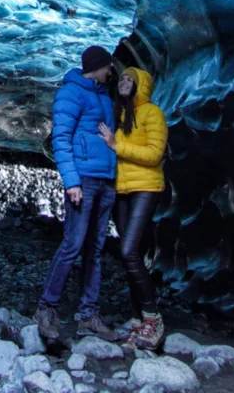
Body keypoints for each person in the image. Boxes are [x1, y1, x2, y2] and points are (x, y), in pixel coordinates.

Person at [35, 45, 119, 342]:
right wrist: (71, 182)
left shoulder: (104, 96)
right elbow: (61, 138)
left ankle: (88, 315)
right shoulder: (71, 93)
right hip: (83, 179)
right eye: (108, 66)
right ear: (97, 66)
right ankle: (47, 308)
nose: (111, 71)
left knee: (95, 250)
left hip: (106, 180)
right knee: (73, 244)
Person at [98, 66, 168, 350]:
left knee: (127, 250)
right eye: (123, 78)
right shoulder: (121, 114)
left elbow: (155, 154)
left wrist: (117, 146)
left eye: (131, 79)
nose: (125, 81)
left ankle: (154, 318)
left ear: (142, 86)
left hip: (146, 188)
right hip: (123, 190)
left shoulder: (153, 113)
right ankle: (139, 320)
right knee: (131, 256)